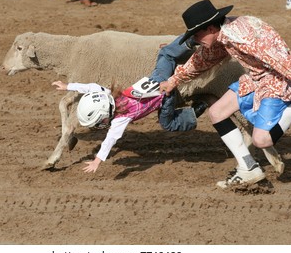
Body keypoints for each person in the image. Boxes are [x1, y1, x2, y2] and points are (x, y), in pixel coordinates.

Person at [159, 0, 291, 189]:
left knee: (262, 140)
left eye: (197, 35)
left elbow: (283, 62)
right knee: (217, 112)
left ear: (211, 27)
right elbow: (203, 60)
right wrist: (173, 80)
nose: (195, 40)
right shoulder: (223, 33)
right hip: (256, 78)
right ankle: (249, 168)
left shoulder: (241, 37)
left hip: (276, 80)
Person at [51, 34, 212, 173]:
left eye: (100, 122)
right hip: (157, 78)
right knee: (165, 54)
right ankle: (190, 40)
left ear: (104, 115)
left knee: (168, 123)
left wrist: (97, 161)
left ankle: (199, 106)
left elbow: (109, 141)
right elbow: (91, 87)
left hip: (165, 95)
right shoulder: (108, 94)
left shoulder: (120, 118)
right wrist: (68, 86)